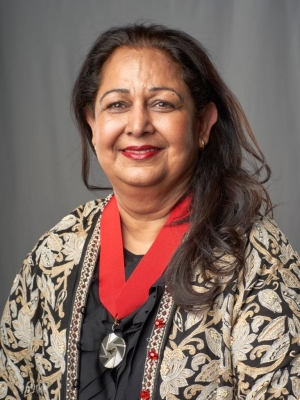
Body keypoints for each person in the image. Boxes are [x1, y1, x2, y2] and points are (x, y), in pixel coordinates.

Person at [0, 23, 299, 400]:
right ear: (93, 124)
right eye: (117, 105)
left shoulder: (254, 257)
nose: (138, 125)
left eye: (162, 103)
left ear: (203, 124)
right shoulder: (54, 253)